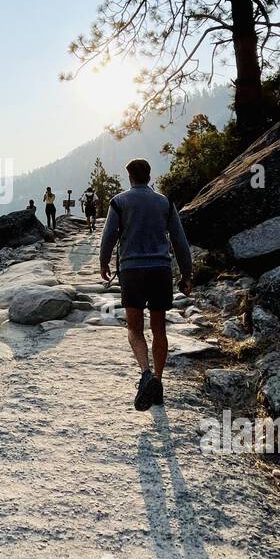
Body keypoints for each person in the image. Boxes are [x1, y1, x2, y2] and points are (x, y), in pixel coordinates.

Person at [98, 157, 193, 410]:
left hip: (132, 271)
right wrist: (186, 274)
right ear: (150, 176)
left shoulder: (119, 202)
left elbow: (109, 237)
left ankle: (146, 374)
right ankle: (158, 384)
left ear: (130, 177)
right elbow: (179, 241)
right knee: (159, 328)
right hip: (160, 270)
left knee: (135, 329)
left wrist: (103, 263)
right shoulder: (165, 202)